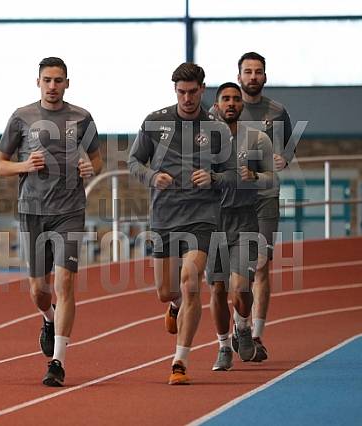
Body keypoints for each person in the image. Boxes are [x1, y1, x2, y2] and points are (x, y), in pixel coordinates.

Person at [0, 57, 102, 387]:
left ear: (67, 83)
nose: (52, 86)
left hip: (70, 210)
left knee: (64, 284)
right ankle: (48, 317)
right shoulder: (21, 117)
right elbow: (0, 165)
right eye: (47, 80)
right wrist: (25, 165)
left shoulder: (82, 117)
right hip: (33, 210)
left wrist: (91, 168)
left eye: (58, 80)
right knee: (39, 290)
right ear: (38, 82)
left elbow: (97, 160)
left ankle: (57, 362)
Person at [128, 63, 221, 385]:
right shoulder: (155, 122)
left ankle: (180, 361)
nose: (187, 98)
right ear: (175, 91)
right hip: (165, 216)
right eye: (181, 92)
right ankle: (175, 305)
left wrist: (214, 178)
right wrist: (152, 176)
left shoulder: (216, 127)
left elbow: (232, 172)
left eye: (192, 92)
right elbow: (134, 161)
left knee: (191, 280)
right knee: (166, 291)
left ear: (202, 89)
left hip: (202, 216)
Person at [207, 82, 273, 370]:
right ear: (217, 105)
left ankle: (243, 326)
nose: (231, 103)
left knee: (241, 287)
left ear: (242, 105)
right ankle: (223, 346)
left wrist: (255, 177)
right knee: (218, 290)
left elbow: (272, 179)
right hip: (213, 221)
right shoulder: (204, 140)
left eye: (236, 99)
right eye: (225, 99)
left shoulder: (257, 139)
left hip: (245, 218)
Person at [236, 52, 294, 361]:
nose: (253, 77)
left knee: (260, 265)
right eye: (248, 72)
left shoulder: (277, 112)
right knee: (236, 268)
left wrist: (284, 158)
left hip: (266, 196)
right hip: (233, 200)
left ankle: (256, 334)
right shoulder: (223, 109)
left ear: (265, 77)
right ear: (239, 77)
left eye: (258, 71)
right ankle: (239, 324)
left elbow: (289, 148)